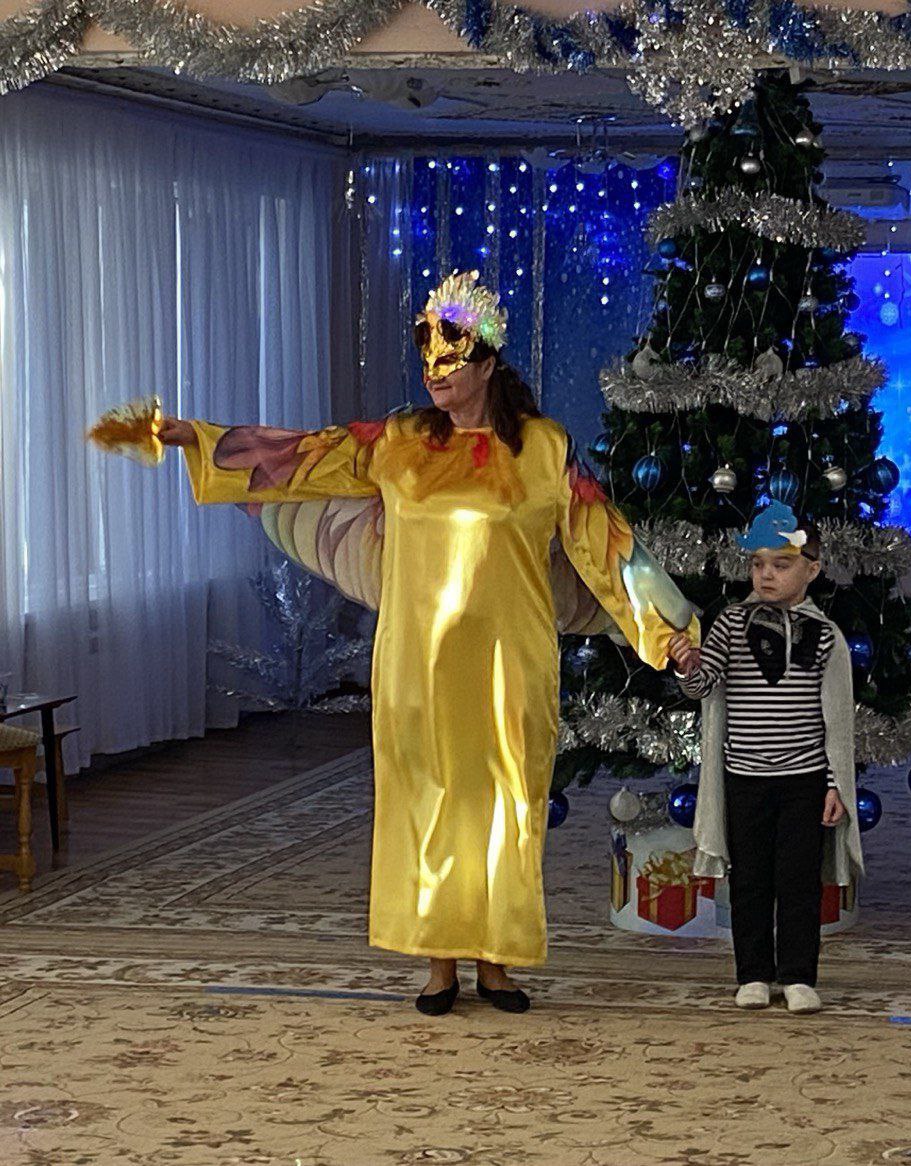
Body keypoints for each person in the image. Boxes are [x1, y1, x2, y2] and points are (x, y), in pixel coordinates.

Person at [121, 271, 698, 1016]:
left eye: (451, 359)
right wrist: (197, 439)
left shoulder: (544, 448)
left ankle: (497, 962)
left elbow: (607, 545)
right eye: (427, 357)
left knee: (505, 803)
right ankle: (438, 964)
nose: (434, 372)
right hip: (417, 661)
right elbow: (299, 455)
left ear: (488, 363)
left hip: (511, 662)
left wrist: (672, 632)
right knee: (425, 798)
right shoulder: (397, 442)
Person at [667, 501, 862, 1014]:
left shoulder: (824, 634)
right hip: (745, 777)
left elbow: (835, 718)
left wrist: (835, 784)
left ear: (811, 570)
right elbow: (704, 687)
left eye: (781, 564)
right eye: (758, 564)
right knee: (750, 879)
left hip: (803, 779)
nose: (767, 575)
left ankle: (798, 975)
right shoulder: (731, 624)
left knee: (798, 881)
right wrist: (686, 666)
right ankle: (753, 973)